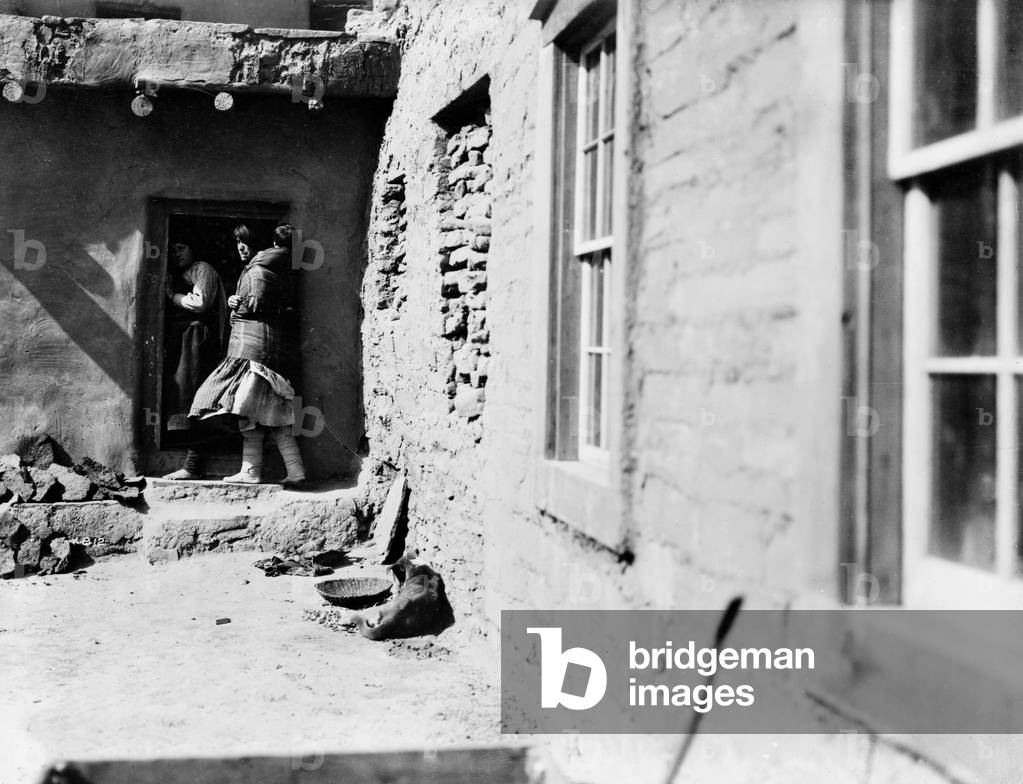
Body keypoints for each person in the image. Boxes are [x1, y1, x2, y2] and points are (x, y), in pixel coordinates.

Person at [189, 223, 307, 487]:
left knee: (239, 408)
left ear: (258, 243)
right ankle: (288, 471)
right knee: (265, 412)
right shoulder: (276, 264)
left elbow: (254, 304)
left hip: (250, 351)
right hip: (265, 349)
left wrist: (236, 306)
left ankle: (255, 471)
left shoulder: (258, 268)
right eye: (237, 242)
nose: (240, 247)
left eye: (245, 242)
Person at [162, 241, 227, 480]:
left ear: (194, 249)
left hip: (197, 339)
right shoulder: (179, 274)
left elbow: (200, 303)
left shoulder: (202, 269)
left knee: (195, 397)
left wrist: (173, 296)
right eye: (173, 250)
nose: (176, 254)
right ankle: (191, 462)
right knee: (183, 396)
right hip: (183, 341)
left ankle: (193, 464)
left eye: (181, 248)